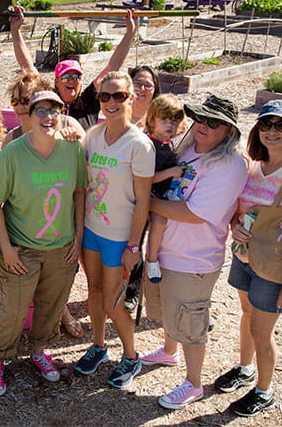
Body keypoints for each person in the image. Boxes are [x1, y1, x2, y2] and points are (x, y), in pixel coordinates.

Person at [214, 100, 282, 417]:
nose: (272, 131)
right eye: (266, 124)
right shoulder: (254, 165)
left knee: (262, 332)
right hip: (246, 258)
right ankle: (245, 369)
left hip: (274, 267)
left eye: (281, 125)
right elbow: (241, 213)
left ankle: (264, 391)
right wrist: (236, 226)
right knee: (248, 316)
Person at [140, 95, 248, 409]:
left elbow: (195, 213)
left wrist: (145, 203)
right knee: (168, 308)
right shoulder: (189, 147)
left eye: (213, 122)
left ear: (228, 131)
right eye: (200, 117)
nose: (203, 125)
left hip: (193, 259)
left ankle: (194, 383)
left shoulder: (229, 165)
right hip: (167, 249)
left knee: (190, 319)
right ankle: (168, 351)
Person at [0, 90, 88, 397]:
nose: (47, 117)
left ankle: (39, 351)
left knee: (52, 307)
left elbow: (79, 191)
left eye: (53, 110)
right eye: (39, 111)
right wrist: (6, 248)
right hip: (21, 249)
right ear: (27, 116)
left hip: (62, 249)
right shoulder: (13, 153)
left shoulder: (72, 149)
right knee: (12, 311)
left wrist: (78, 237)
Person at [74, 71, 154, 388]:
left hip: (118, 237)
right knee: (93, 293)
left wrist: (134, 246)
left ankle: (131, 356)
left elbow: (143, 202)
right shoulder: (92, 135)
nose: (110, 102)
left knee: (113, 301)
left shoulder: (140, 146)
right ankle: (99, 346)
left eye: (118, 96)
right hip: (91, 229)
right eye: (105, 96)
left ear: (130, 99)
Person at [3, 71, 86, 339]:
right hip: (25, 228)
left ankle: (61, 314)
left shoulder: (65, 126)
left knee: (58, 279)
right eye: (14, 100)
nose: (18, 107)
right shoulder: (12, 139)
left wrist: (74, 137)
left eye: (24, 100)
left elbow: (84, 171)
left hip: (60, 221)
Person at [9, 7, 137, 130]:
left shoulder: (89, 101)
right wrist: (15, 31)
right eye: (65, 77)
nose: (71, 80)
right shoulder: (48, 98)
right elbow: (27, 67)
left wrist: (130, 32)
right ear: (56, 82)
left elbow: (113, 65)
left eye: (76, 77)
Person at [123, 64, 161, 313]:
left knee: (137, 239)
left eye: (148, 84)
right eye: (138, 83)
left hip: (146, 190)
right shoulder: (119, 115)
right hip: (119, 189)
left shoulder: (158, 121)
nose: (143, 89)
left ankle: (133, 292)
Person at [143, 94, 187, 284]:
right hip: (148, 193)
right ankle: (151, 259)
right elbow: (147, 178)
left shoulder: (168, 144)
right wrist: (172, 172)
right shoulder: (148, 145)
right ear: (152, 120)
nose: (170, 125)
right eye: (165, 120)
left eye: (175, 120)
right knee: (159, 221)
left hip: (163, 194)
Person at [129, 65, 161, 130]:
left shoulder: (160, 119)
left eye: (148, 86)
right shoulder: (118, 113)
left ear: (155, 90)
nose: (142, 89)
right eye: (137, 83)